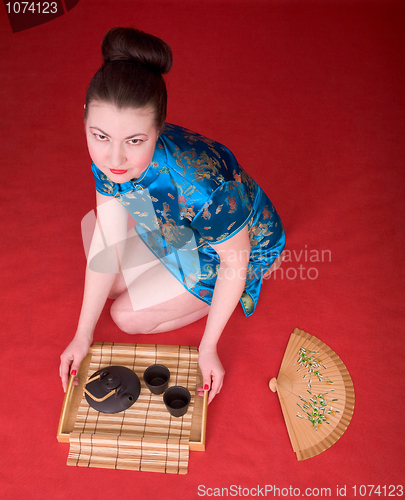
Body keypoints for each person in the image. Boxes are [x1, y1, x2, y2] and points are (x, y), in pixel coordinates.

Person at [59, 27, 285, 405]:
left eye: (135, 141)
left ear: (158, 129)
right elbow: (107, 238)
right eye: (100, 137)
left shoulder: (200, 184)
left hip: (232, 248)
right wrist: (81, 334)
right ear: (86, 117)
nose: (114, 159)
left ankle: (219, 292)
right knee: (106, 269)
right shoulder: (109, 155)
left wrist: (208, 347)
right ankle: (169, 270)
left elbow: (236, 258)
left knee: (126, 317)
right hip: (175, 225)